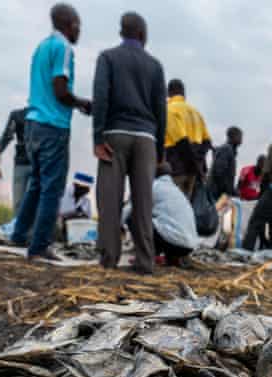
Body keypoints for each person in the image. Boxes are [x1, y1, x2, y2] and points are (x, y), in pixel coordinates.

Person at [12, 3, 92, 262]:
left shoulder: (41, 47)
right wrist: (82, 104)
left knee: (36, 184)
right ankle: (39, 246)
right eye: (78, 25)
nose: (79, 31)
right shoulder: (63, 48)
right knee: (52, 188)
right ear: (71, 25)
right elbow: (60, 89)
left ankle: (19, 234)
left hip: (33, 123)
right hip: (53, 125)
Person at [92, 11, 166, 273]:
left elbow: (101, 97)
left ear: (121, 32)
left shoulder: (108, 58)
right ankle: (146, 261)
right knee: (144, 202)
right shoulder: (155, 66)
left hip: (115, 134)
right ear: (143, 35)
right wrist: (160, 151)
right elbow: (161, 109)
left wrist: (97, 137)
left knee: (110, 200)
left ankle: (108, 259)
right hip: (146, 138)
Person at [125, 163, 199, 267]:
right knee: (161, 222)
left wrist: (114, 228)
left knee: (133, 217)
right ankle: (172, 258)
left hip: (173, 242)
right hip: (189, 246)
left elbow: (129, 209)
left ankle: (148, 255)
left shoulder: (153, 186)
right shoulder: (176, 190)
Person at [164, 79, 211, 198]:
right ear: (183, 93)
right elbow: (207, 141)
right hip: (193, 173)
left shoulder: (169, 110)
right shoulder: (196, 112)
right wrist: (197, 163)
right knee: (187, 208)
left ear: (168, 93)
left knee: (173, 209)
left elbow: (181, 142)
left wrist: (192, 164)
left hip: (176, 169)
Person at [0, 106, 31, 213]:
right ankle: (18, 228)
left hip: (35, 165)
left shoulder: (45, 116)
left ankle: (26, 228)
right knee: (20, 202)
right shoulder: (17, 115)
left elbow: (6, 138)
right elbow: (7, 137)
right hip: (23, 163)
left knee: (26, 202)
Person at [57, 172, 93, 241]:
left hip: (76, 230)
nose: (87, 192)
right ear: (76, 185)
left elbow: (89, 219)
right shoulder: (62, 194)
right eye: (85, 189)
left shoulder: (86, 201)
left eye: (88, 189)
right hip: (60, 227)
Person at [208, 126, 242, 199]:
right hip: (217, 193)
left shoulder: (230, 151)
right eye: (240, 136)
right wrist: (227, 191)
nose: (241, 140)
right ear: (233, 136)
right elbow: (219, 172)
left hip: (220, 192)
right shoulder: (226, 149)